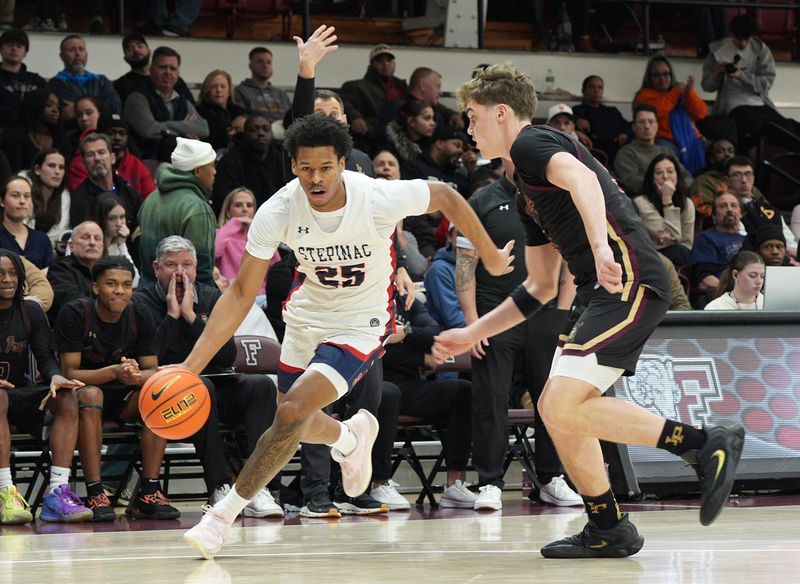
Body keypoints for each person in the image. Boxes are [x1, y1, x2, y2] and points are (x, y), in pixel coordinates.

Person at [434, 63, 745, 559]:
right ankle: (608, 527)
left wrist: (600, 247)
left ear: (499, 113)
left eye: (471, 117)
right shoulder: (523, 191)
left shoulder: (532, 144)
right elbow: (536, 287)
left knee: (557, 402)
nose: (467, 129)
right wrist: (471, 331)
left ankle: (704, 443)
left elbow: (582, 179)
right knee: (559, 412)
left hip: (628, 278)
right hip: (600, 291)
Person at [182, 113, 513, 559]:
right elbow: (241, 292)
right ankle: (348, 438)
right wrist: (189, 368)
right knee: (292, 420)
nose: (315, 179)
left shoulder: (375, 197)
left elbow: (447, 196)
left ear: (342, 163)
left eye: (325, 168)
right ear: (293, 167)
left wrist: (490, 254)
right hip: (305, 318)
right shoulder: (278, 209)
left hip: (362, 322)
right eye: (305, 169)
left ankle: (220, 517)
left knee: (293, 412)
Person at [455, 159, 581, 511]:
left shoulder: (555, 199)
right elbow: (464, 265)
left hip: (546, 315)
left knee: (552, 400)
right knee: (490, 401)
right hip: (496, 313)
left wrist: (562, 315)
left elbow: (570, 258)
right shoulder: (481, 202)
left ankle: (551, 478)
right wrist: (471, 324)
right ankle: (490, 483)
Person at [134, 236, 283, 518]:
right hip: (168, 398)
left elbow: (227, 355)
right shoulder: (142, 301)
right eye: (171, 265)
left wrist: (191, 316)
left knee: (261, 385)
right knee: (200, 387)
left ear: (196, 267)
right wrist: (172, 316)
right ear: (156, 267)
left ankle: (258, 486)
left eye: (186, 265)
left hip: (218, 387)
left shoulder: (213, 296)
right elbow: (152, 356)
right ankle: (219, 486)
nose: (180, 272)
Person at [54, 255, 179, 521]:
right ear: (96, 287)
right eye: (111, 284)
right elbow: (69, 373)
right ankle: (96, 492)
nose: (119, 290)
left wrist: (135, 376)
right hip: (79, 399)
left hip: (124, 397)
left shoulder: (139, 313)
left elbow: (151, 371)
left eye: (126, 284)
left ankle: (149, 492)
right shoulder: (76, 313)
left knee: (159, 395)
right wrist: (113, 371)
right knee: (91, 393)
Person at [0, 248, 93, 525]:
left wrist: (55, 376)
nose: (7, 279)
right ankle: (6, 491)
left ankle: (56, 493)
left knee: (66, 395)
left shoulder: (30, 311)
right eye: (1, 274)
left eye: (13, 273)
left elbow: (45, 359)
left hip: (19, 395)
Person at [370, 292, 476, 510]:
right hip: (371, 382)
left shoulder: (407, 301)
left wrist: (406, 332)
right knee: (388, 394)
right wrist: (420, 357)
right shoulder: (364, 298)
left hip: (410, 385)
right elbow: (374, 347)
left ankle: (454, 484)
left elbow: (434, 334)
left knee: (462, 391)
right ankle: (379, 482)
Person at [702, 14, 800, 154]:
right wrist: (717, 74)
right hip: (733, 105)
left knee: (787, 127)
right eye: (739, 39)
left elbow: (766, 84)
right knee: (755, 128)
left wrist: (742, 76)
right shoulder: (717, 51)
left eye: (747, 39)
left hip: (759, 102)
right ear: (731, 35)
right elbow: (706, 86)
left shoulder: (760, 50)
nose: (743, 44)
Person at [138, 137, 217, 288]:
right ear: (198, 171)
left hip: (146, 295)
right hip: (179, 298)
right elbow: (201, 270)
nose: (215, 171)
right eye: (212, 166)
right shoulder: (197, 208)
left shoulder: (150, 199)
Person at [123, 46, 209, 158]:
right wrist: (185, 127)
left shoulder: (183, 101)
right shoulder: (136, 98)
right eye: (163, 67)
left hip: (180, 160)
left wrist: (162, 128)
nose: (168, 72)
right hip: (147, 162)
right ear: (151, 70)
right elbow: (149, 130)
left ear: (178, 75)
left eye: (172, 68)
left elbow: (203, 129)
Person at [339, 44, 411, 154]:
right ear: (372, 65)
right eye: (380, 61)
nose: (385, 64)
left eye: (388, 60)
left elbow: (417, 102)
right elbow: (342, 100)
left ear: (394, 64)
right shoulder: (358, 87)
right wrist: (355, 117)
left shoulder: (402, 86)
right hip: (375, 136)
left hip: (403, 135)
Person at [215, 187, 279, 306]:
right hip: (232, 297)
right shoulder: (221, 233)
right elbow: (214, 252)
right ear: (228, 211)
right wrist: (234, 224)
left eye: (249, 205)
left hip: (261, 297)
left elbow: (276, 265)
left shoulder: (261, 235)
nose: (245, 209)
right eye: (238, 205)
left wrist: (261, 231)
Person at [210, 113, 283, 213]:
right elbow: (223, 198)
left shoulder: (282, 159)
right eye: (254, 129)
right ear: (244, 133)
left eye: (266, 129)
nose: (261, 133)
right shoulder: (230, 161)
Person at [69, 133, 143, 230]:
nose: (97, 158)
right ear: (84, 163)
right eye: (90, 154)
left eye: (101, 152)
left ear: (113, 158)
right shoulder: (80, 199)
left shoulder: (129, 193)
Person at [633, 153, 696, 268]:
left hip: (681, 256)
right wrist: (667, 199)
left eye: (670, 171)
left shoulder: (687, 203)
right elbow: (674, 235)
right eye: (659, 173)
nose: (665, 176)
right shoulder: (641, 202)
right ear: (652, 179)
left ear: (677, 175)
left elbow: (686, 243)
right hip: (652, 256)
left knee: (682, 252)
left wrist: (667, 240)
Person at [614, 104, 692, 195]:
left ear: (657, 126)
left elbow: (687, 176)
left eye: (651, 122)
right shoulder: (626, 153)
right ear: (634, 127)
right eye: (642, 122)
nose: (647, 126)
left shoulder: (667, 151)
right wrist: (664, 183)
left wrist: (675, 185)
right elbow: (630, 181)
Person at [633, 56, 707, 151]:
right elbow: (658, 112)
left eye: (665, 74)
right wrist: (675, 93)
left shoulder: (679, 91)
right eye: (656, 75)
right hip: (665, 139)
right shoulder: (644, 95)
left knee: (713, 150)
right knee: (669, 156)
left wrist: (689, 93)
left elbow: (701, 113)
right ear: (649, 78)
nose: (662, 78)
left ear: (671, 75)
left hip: (689, 136)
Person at [47, 35, 122, 121]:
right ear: (62, 56)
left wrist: (76, 107)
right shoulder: (56, 84)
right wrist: (100, 106)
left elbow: (116, 107)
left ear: (86, 55)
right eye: (71, 50)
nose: (78, 54)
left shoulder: (101, 80)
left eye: (81, 49)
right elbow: (68, 113)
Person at [690, 193, 745, 308]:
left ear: (741, 213)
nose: (729, 209)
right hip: (719, 295)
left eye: (734, 205)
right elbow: (705, 278)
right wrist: (734, 294)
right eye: (723, 206)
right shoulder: (706, 239)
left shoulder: (748, 240)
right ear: (715, 214)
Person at [113, 32, 194, 106]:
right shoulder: (120, 85)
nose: (136, 50)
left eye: (140, 46)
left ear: (149, 51)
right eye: (130, 49)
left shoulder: (172, 79)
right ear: (125, 58)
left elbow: (192, 108)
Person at [0, 87, 67, 173]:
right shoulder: (14, 134)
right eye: (48, 105)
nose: (55, 110)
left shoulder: (60, 138)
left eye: (58, 107)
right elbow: (12, 172)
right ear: (35, 106)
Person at [572, 75, 631, 166]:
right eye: (592, 87)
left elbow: (628, 126)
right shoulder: (577, 111)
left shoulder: (612, 111)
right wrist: (577, 121)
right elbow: (565, 126)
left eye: (600, 87)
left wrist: (625, 134)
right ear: (583, 91)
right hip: (595, 154)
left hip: (619, 153)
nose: (596, 90)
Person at [21, 148, 70, 250]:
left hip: (49, 252)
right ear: (38, 169)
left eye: (61, 167)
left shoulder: (64, 196)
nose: (57, 172)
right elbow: (21, 228)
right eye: (51, 166)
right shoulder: (22, 189)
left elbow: (60, 231)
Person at [0, 176, 53, 271]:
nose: (22, 201)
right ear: (2, 201)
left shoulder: (41, 239)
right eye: (15, 195)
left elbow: (51, 275)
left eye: (27, 196)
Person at [89, 192, 139, 286]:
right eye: (112, 219)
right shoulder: (86, 241)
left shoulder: (118, 243)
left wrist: (122, 244)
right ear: (100, 219)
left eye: (122, 217)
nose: (119, 223)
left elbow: (134, 281)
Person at [0, 28, 47, 129]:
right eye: (9, 45)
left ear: (25, 52)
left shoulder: (38, 81)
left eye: (19, 46)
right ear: (1, 49)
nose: (14, 49)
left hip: (33, 132)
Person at [234, 47, 291, 123]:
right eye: (260, 62)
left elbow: (292, 118)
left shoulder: (281, 93)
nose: (265, 66)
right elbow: (241, 120)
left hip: (284, 131)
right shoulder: (240, 91)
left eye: (269, 62)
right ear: (250, 66)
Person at [195, 69, 247, 153]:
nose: (218, 90)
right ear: (207, 91)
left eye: (222, 86)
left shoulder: (239, 112)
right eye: (213, 87)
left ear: (229, 91)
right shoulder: (200, 112)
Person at [689, 138, 736, 224]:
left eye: (730, 151)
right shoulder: (703, 181)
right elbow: (704, 213)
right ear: (711, 158)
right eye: (720, 151)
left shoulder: (742, 178)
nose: (727, 155)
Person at [383, 99, 435, 164]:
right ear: (411, 121)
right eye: (427, 118)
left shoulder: (432, 147)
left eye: (433, 118)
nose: (433, 123)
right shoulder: (391, 151)